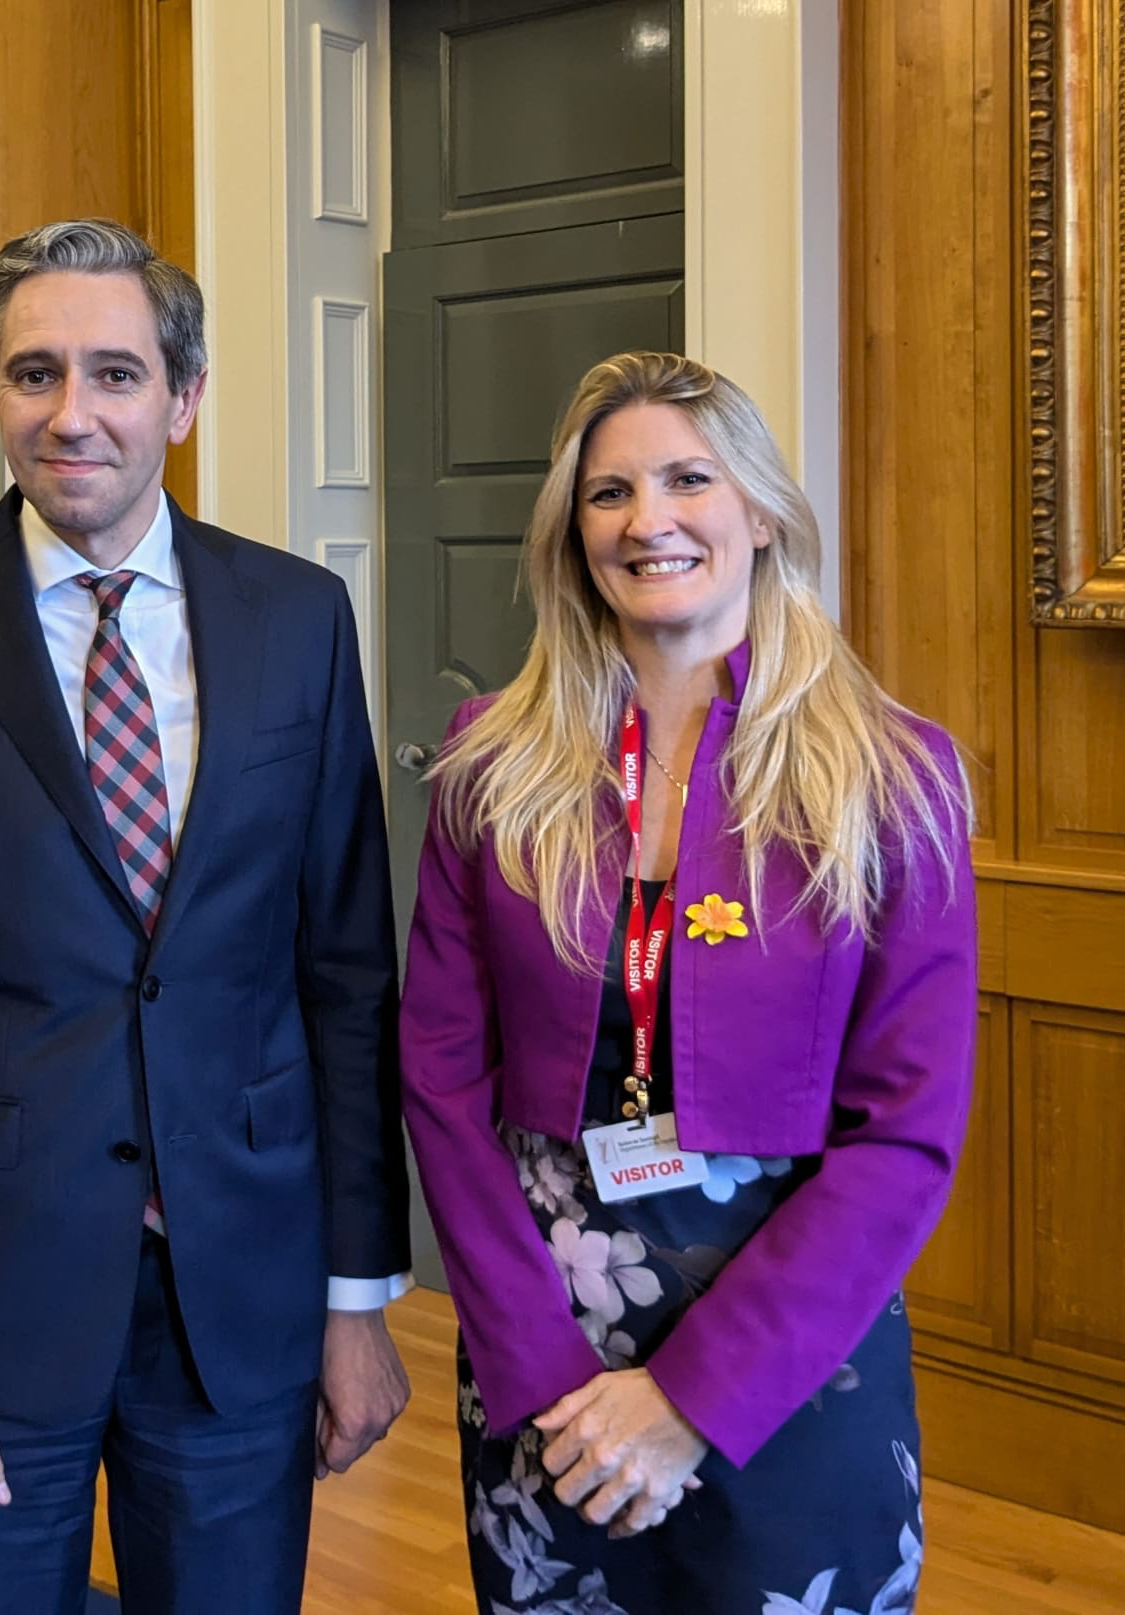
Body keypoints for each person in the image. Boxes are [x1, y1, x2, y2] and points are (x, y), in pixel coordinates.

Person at [0, 218, 413, 1614]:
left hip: (238, 1300)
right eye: (35, 373)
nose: (72, 413)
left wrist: (356, 1294)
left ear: (183, 399)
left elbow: (346, 977)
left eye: (115, 373)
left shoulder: (301, 618)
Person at [401, 351, 976, 1613]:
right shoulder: (487, 766)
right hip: (546, 1348)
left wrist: (687, 1399)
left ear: (759, 512)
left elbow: (905, 1130)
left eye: (686, 480)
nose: (645, 520)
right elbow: (440, 1079)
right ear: (571, 534)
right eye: (607, 493)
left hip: (795, 1351)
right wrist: (540, 1368)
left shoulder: (895, 778)